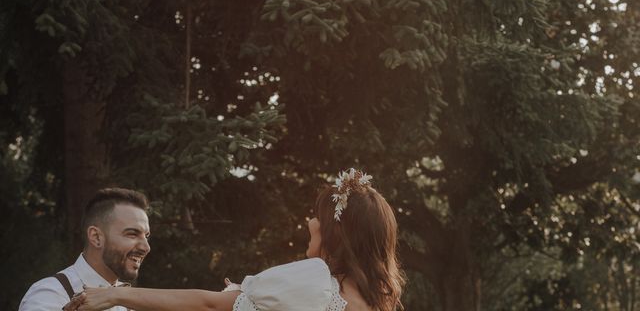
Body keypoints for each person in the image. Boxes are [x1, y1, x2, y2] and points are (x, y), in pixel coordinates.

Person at [68, 168, 405, 311]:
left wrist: (114, 296)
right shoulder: (375, 301)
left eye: (316, 215)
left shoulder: (317, 282)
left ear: (336, 233)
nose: (310, 220)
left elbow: (207, 305)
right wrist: (244, 297)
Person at [19, 187, 151, 311]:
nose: (146, 247)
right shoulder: (49, 294)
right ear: (96, 237)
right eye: (132, 234)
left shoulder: (127, 304)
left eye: (146, 236)